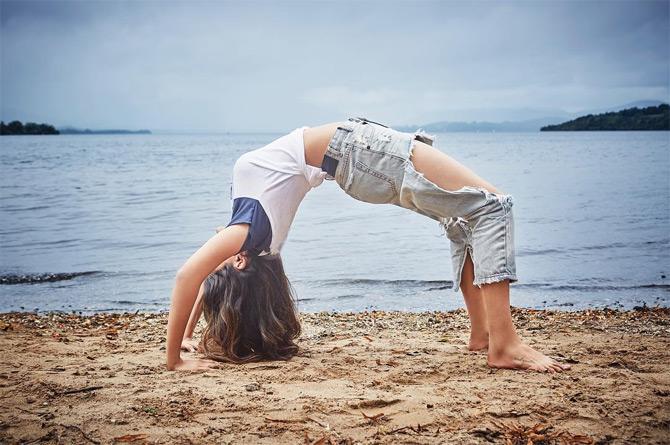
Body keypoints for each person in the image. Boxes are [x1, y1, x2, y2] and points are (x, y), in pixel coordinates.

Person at [166, 116, 571, 373]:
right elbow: (189, 277)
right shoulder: (248, 236)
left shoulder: (251, 238)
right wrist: (175, 361)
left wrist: (186, 334)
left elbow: (205, 283)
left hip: (355, 157)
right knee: (493, 207)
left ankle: (484, 336)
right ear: (237, 263)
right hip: (357, 151)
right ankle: (505, 344)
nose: (214, 259)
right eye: (222, 266)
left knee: (464, 217)